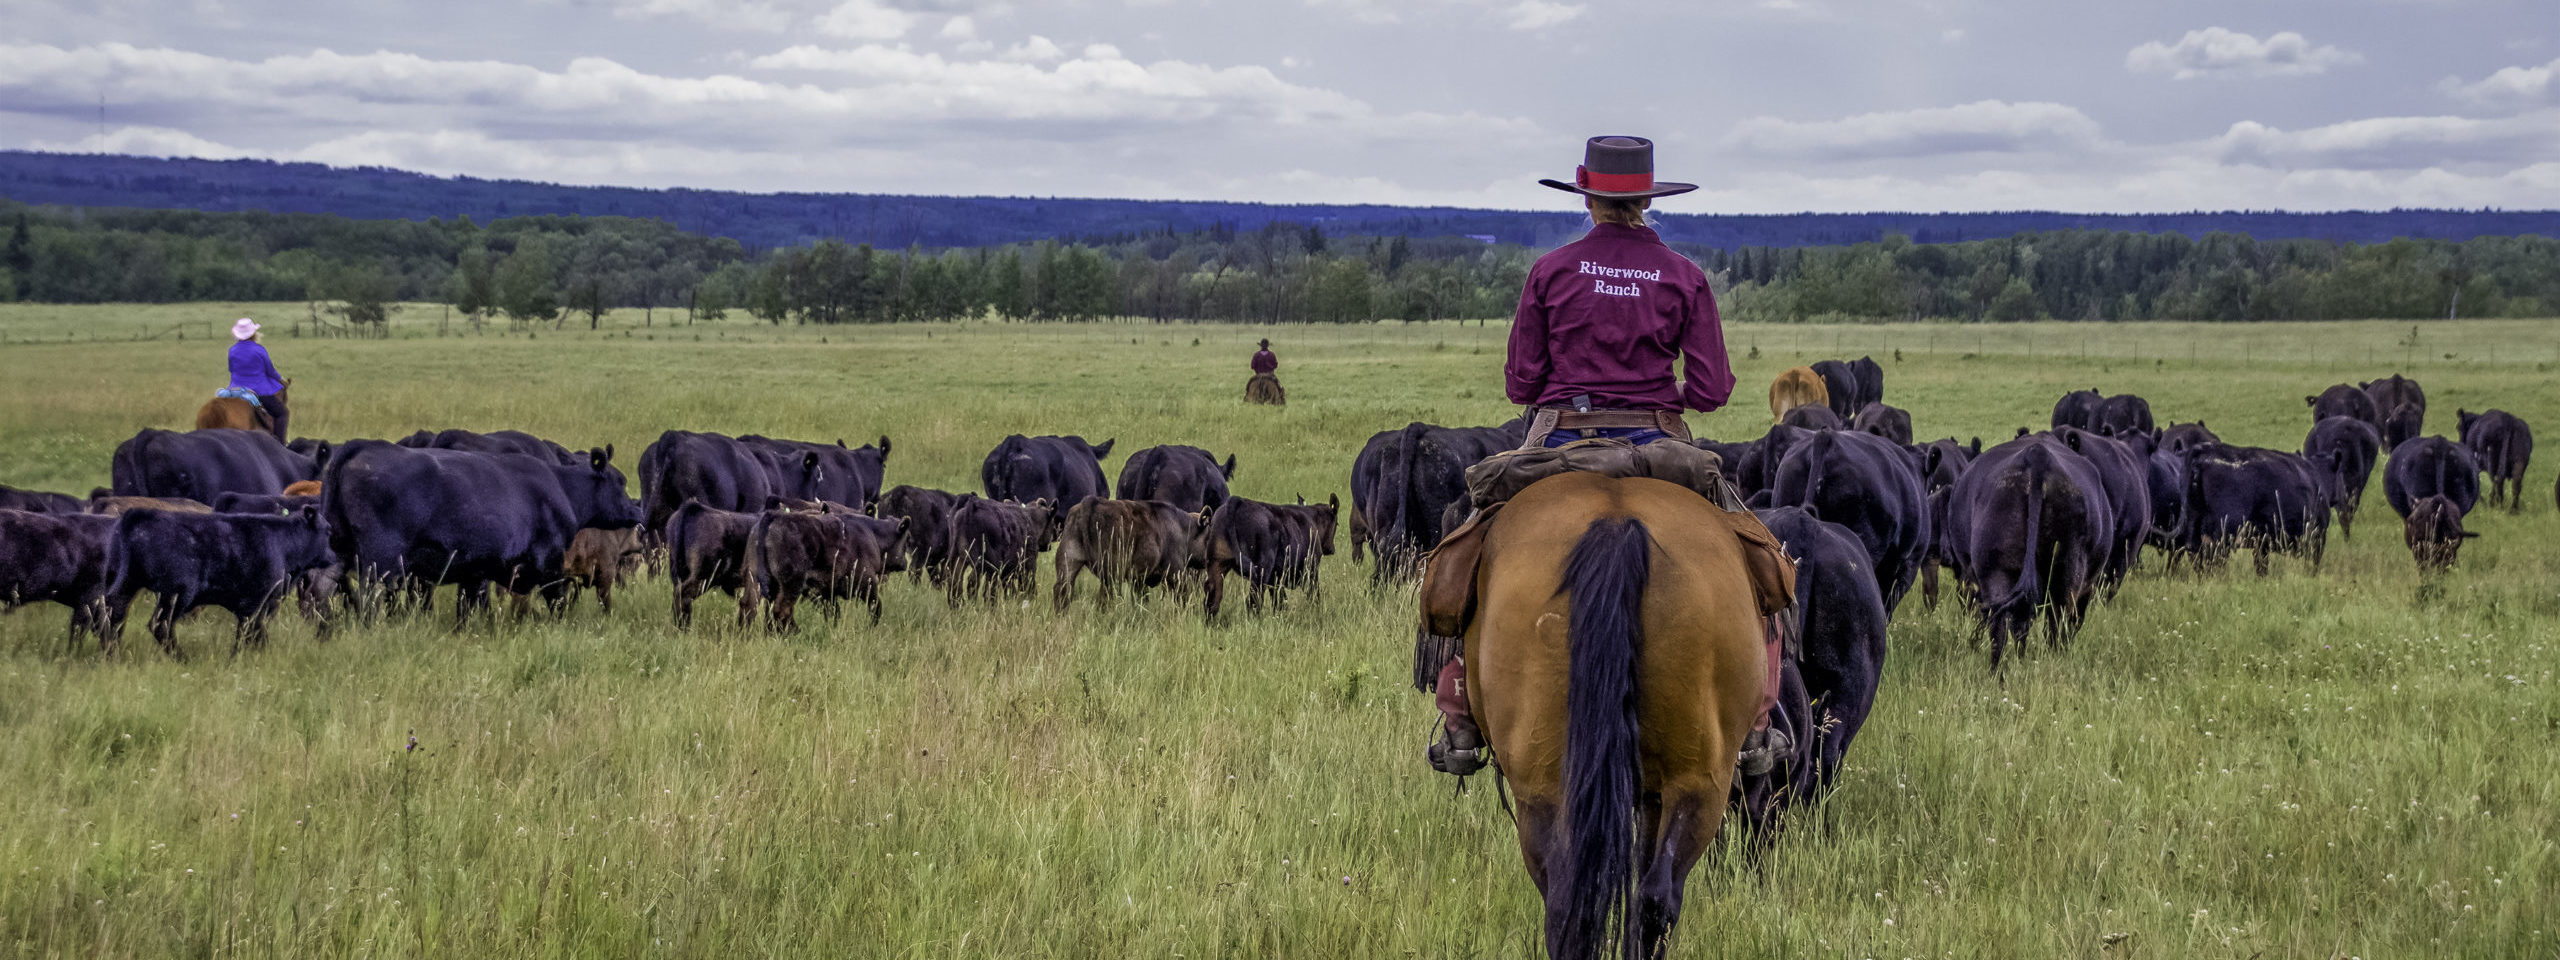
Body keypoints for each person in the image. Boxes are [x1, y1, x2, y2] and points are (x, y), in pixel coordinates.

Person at [1428, 136, 1783, 778]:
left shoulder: (1551, 271)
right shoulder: (1685, 275)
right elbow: (1711, 390)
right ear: (1647, 199)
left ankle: (1457, 707)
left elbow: (1519, 385)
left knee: (1471, 540)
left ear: (1589, 199)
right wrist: (1658, 392)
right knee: (1760, 561)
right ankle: (1759, 720)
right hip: (1660, 444)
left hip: (1561, 438)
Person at [224, 317, 290, 442]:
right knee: (282, 413)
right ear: (253, 334)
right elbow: (270, 371)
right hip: (259, 391)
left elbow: (232, 369)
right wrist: (281, 380)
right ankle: (280, 445)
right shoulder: (259, 350)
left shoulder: (232, 351)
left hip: (235, 390)